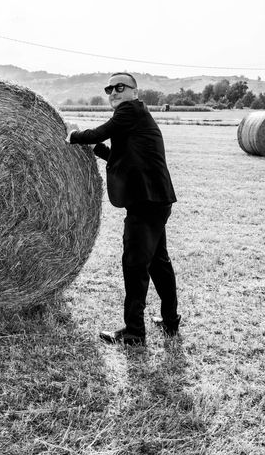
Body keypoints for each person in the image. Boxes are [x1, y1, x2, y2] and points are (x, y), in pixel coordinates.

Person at [67, 72, 180, 346]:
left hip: (145, 203)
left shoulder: (130, 110)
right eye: (109, 89)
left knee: (134, 265)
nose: (113, 92)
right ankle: (170, 320)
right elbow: (120, 157)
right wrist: (96, 149)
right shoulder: (135, 118)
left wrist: (74, 135)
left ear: (135, 92)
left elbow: (99, 132)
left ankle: (134, 333)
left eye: (120, 87)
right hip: (156, 199)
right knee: (157, 262)